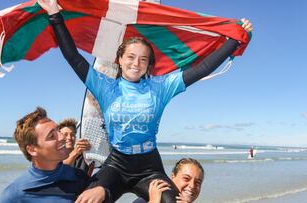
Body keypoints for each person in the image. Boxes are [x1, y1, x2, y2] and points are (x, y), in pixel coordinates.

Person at [38, 0, 252, 202]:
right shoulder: (105, 86)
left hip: (149, 167)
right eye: (130, 57)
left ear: (149, 65)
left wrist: (234, 39)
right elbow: (73, 57)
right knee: (87, 198)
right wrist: (54, 15)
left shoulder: (160, 88)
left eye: (143, 59)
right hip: (117, 165)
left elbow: (203, 68)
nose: (136, 63)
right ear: (119, 60)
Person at [0, 107, 110, 203]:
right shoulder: (14, 195)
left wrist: (104, 191)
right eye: (52, 136)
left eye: (58, 131)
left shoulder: (79, 177)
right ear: (32, 149)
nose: (62, 137)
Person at [136, 158, 204, 203]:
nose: (192, 186)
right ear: (172, 177)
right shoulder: (145, 200)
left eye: (198, 182)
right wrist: (153, 201)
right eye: (186, 178)